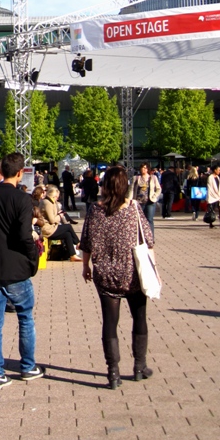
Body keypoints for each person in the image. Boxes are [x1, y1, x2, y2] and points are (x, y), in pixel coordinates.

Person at [80, 165, 156, 389]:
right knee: (139, 317)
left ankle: (113, 372)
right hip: (132, 272)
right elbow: (148, 240)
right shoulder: (133, 208)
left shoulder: (95, 210)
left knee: (110, 322)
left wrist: (85, 265)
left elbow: (86, 241)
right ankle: (139, 366)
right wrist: (155, 269)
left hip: (105, 273)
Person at [0, 153, 43, 387]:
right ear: (20, 172)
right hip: (16, 267)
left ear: (1, 172)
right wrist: (33, 255)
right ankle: (27, 366)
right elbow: (24, 235)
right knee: (25, 317)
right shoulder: (22, 200)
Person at [38, 186, 81, 261]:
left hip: (51, 227)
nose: (57, 198)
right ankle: (78, 243)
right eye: (56, 197)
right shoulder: (47, 203)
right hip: (47, 229)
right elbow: (52, 220)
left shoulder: (51, 202)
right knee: (68, 227)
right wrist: (59, 216)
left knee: (67, 234)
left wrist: (57, 214)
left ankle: (72, 255)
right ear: (53, 196)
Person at [130, 163, 161, 232]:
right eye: (142, 168)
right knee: (139, 220)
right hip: (139, 202)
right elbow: (131, 189)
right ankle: (141, 237)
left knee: (149, 219)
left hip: (150, 202)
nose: (143, 169)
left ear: (148, 169)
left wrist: (154, 196)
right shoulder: (136, 178)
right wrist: (130, 200)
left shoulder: (153, 178)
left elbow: (158, 189)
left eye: (145, 168)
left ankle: (151, 238)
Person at [206, 164, 220, 228]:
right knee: (211, 210)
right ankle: (211, 224)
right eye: (218, 170)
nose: (219, 171)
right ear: (215, 170)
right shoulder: (210, 177)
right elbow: (211, 187)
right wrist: (217, 194)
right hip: (212, 195)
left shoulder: (218, 177)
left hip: (218, 195)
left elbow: (219, 187)